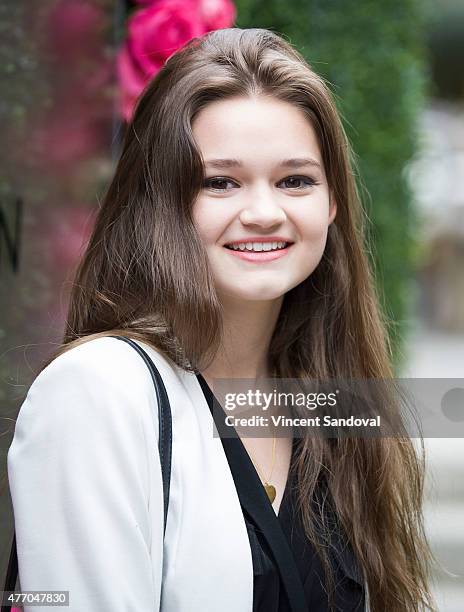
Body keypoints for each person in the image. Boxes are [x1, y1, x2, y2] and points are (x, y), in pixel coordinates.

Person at [7, 27, 435, 612]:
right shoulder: (99, 392)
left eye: (295, 180)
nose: (263, 212)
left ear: (331, 202)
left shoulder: (330, 404)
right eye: (220, 182)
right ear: (160, 201)